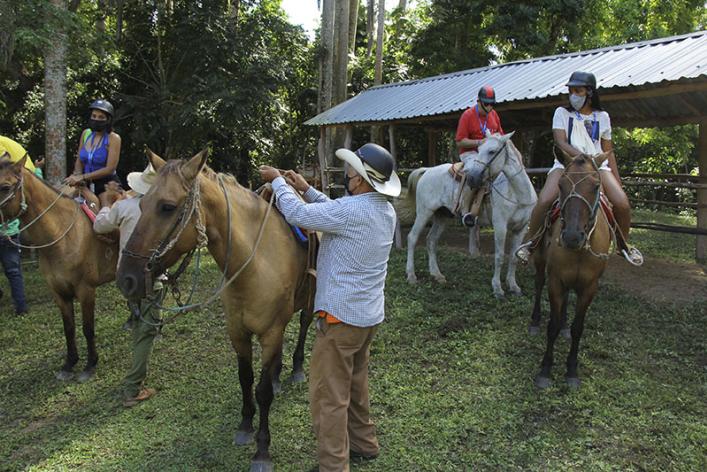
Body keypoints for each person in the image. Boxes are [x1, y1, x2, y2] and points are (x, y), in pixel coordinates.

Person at [259, 143, 400, 472]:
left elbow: (298, 216)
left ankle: (333, 466)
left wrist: (277, 181)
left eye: (352, 170)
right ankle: (364, 444)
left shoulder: (353, 211)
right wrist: (306, 189)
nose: (348, 174)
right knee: (355, 383)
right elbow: (336, 210)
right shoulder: (382, 209)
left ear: (362, 180)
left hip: (339, 319)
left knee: (328, 395)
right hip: (366, 316)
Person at [516, 71, 642, 266]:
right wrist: (583, 158)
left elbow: (608, 151)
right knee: (544, 200)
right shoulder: (562, 113)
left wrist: (618, 182)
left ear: (589, 93)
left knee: (622, 203)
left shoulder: (603, 117)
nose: (573, 95)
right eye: (571, 90)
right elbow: (560, 142)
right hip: (566, 164)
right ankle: (531, 244)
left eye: (578, 90)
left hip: (599, 166)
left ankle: (623, 245)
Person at [93, 164, 163, 407]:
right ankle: (133, 387)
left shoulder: (123, 207)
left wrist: (107, 204)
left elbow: (99, 226)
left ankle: (136, 375)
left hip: (126, 275)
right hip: (151, 278)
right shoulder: (160, 211)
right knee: (147, 330)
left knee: (139, 323)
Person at [0, 136, 44, 315]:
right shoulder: (11, 184)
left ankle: (21, 307)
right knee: (13, 271)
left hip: (8, 232)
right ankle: (21, 308)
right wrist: (38, 169)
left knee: (13, 271)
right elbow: (36, 178)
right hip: (10, 231)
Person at [455, 85, 504, 227]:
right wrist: (480, 142)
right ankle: (464, 211)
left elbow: (500, 135)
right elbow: (460, 141)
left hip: (488, 154)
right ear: (479, 101)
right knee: (474, 172)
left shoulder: (494, 115)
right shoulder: (468, 115)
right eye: (486, 103)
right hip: (470, 153)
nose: (489, 107)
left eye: (492, 104)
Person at [65, 99, 122, 200]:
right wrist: (77, 175)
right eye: (94, 116)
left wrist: (83, 177)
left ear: (108, 120)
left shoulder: (113, 138)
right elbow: (79, 159)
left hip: (106, 184)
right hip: (84, 182)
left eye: (101, 117)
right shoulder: (86, 134)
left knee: (104, 211)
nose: (96, 119)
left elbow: (110, 169)